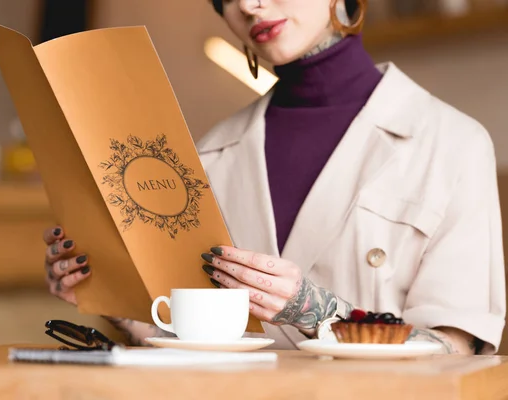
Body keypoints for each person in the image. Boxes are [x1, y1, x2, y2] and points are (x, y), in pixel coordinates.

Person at [42, 0, 506, 354]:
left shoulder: (452, 144)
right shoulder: (205, 156)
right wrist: (109, 293)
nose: (246, 5)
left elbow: (458, 352)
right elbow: (196, 343)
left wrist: (314, 310)